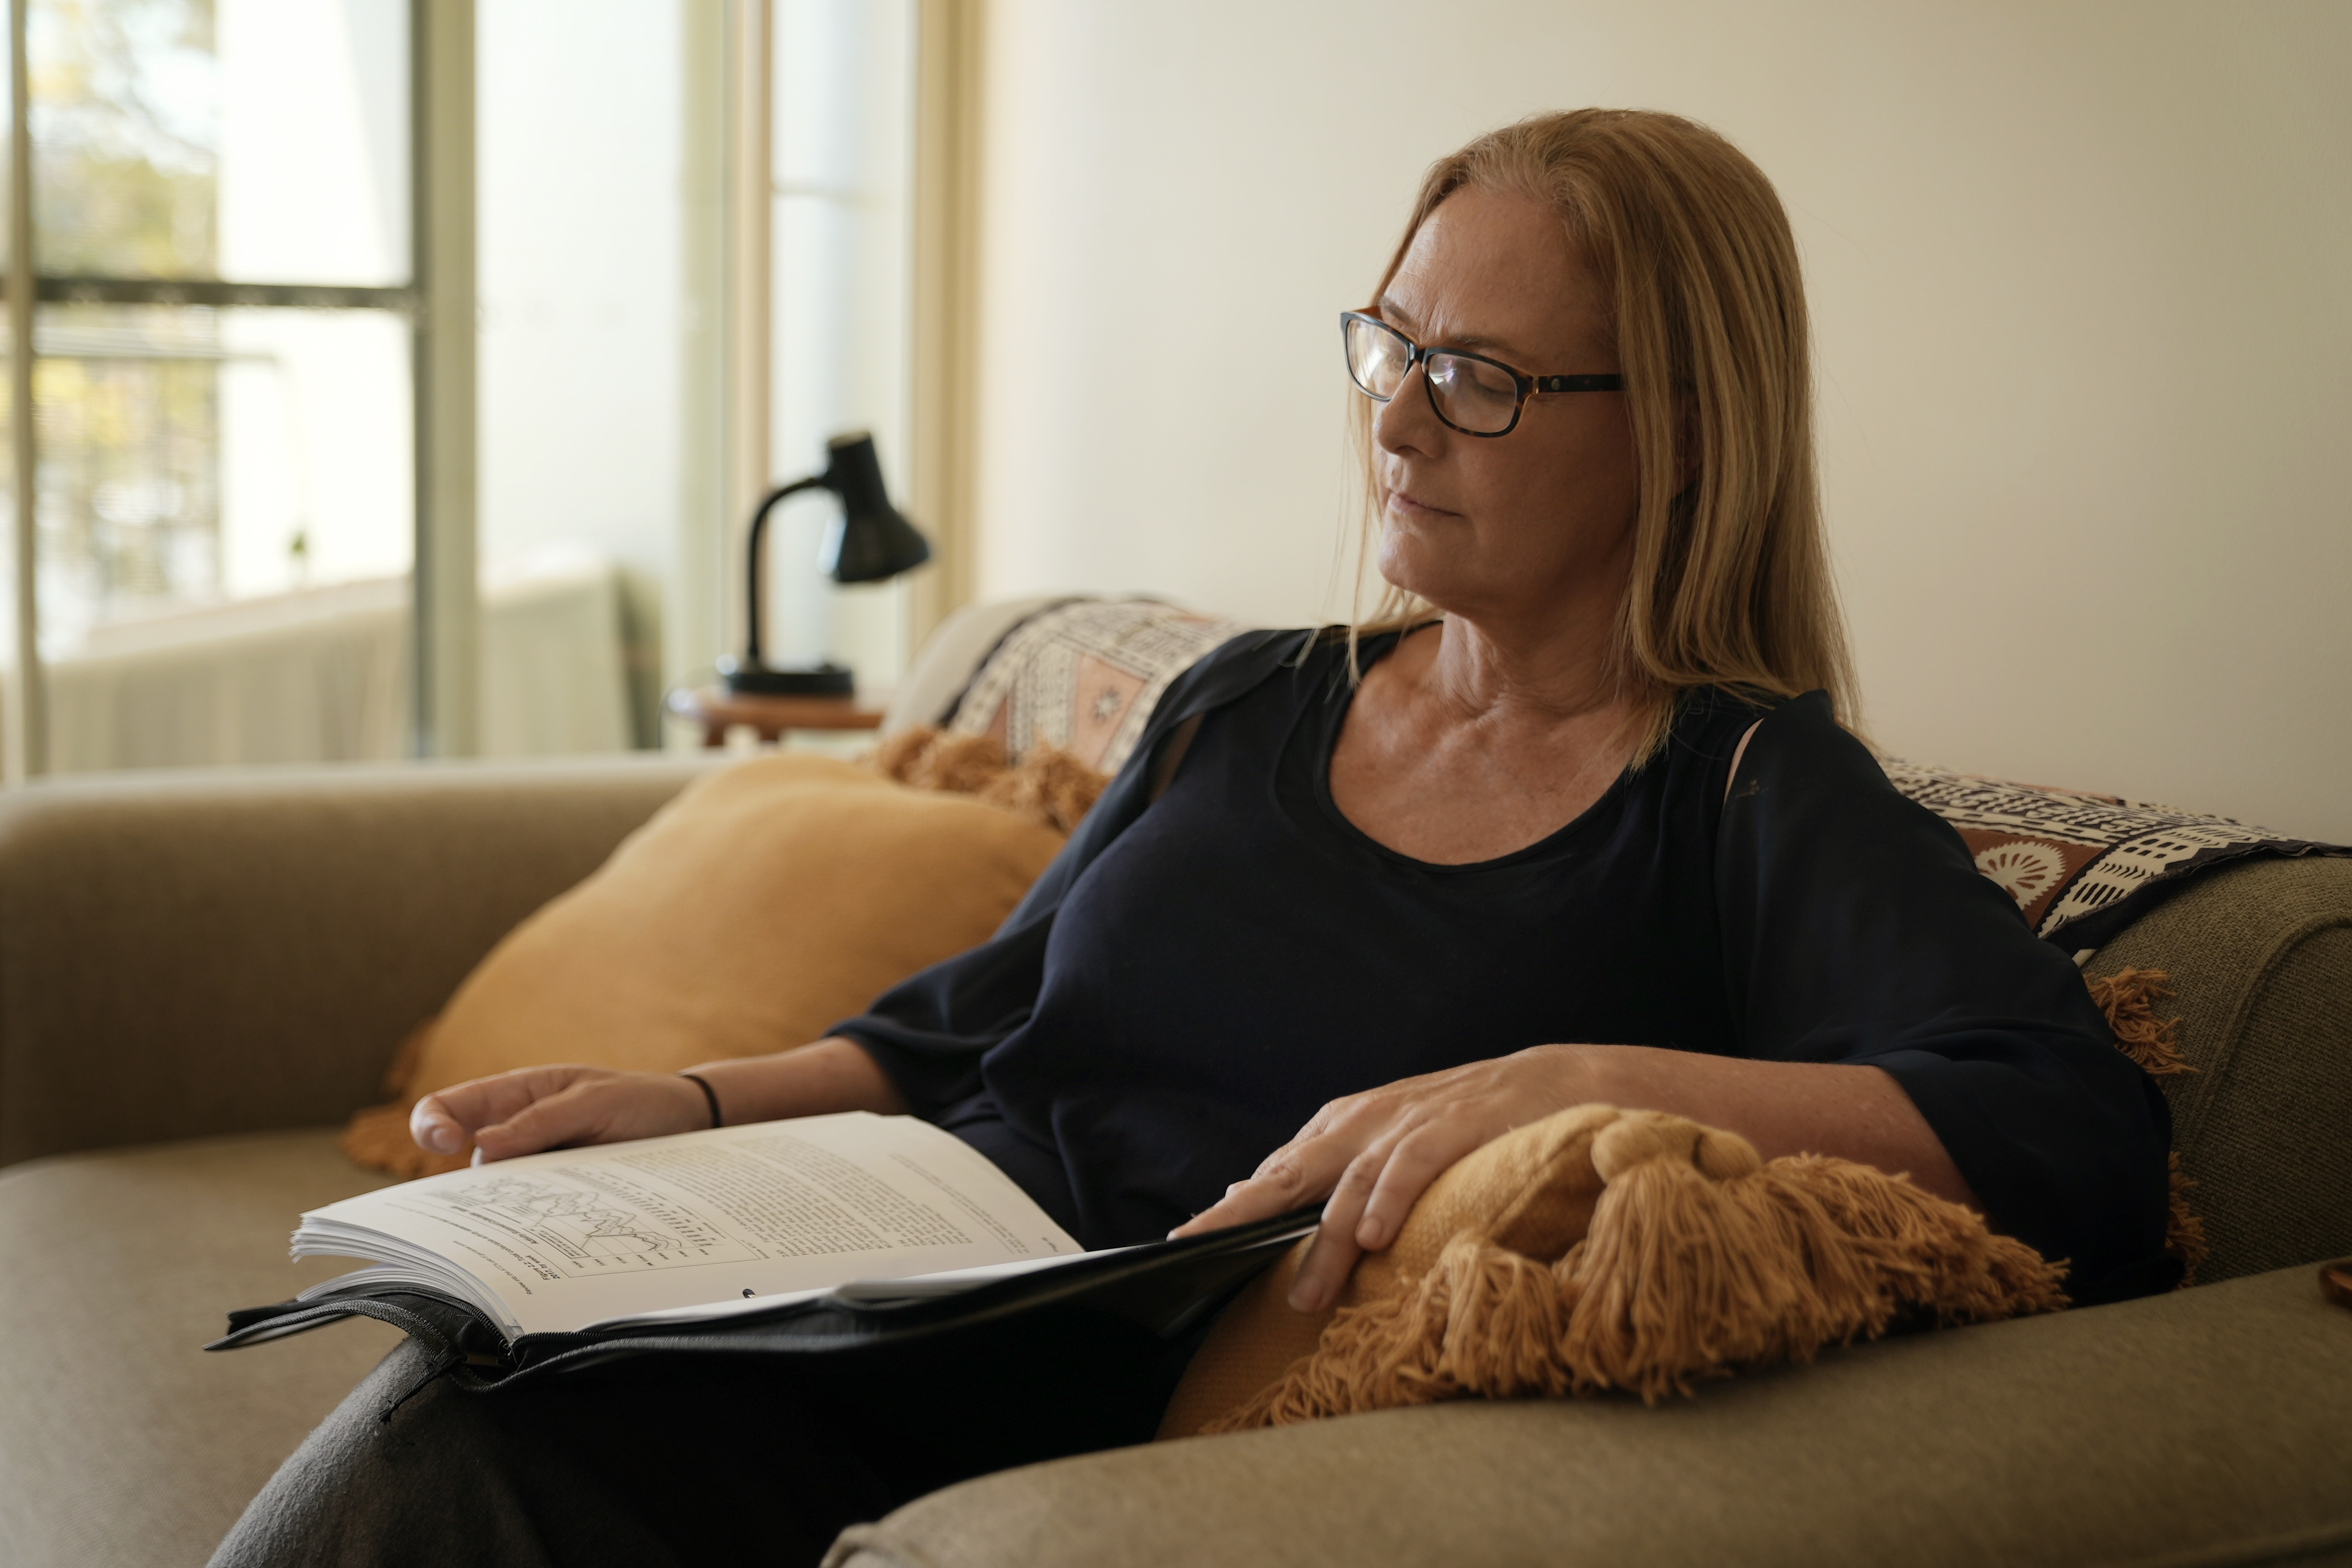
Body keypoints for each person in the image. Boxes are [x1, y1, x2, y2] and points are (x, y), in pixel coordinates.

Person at [212, 108, 2174, 1567]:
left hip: (1111, 1392)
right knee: (473, 1388)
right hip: (895, 1283)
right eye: (1391, 343)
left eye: (1479, 379)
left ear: (1683, 422)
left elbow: (2078, 1131)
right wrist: (694, 1102)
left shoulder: (1747, 792)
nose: (1398, 423)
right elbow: (974, 1023)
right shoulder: (1252, 696)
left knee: (491, 1459)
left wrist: (1572, 1081)